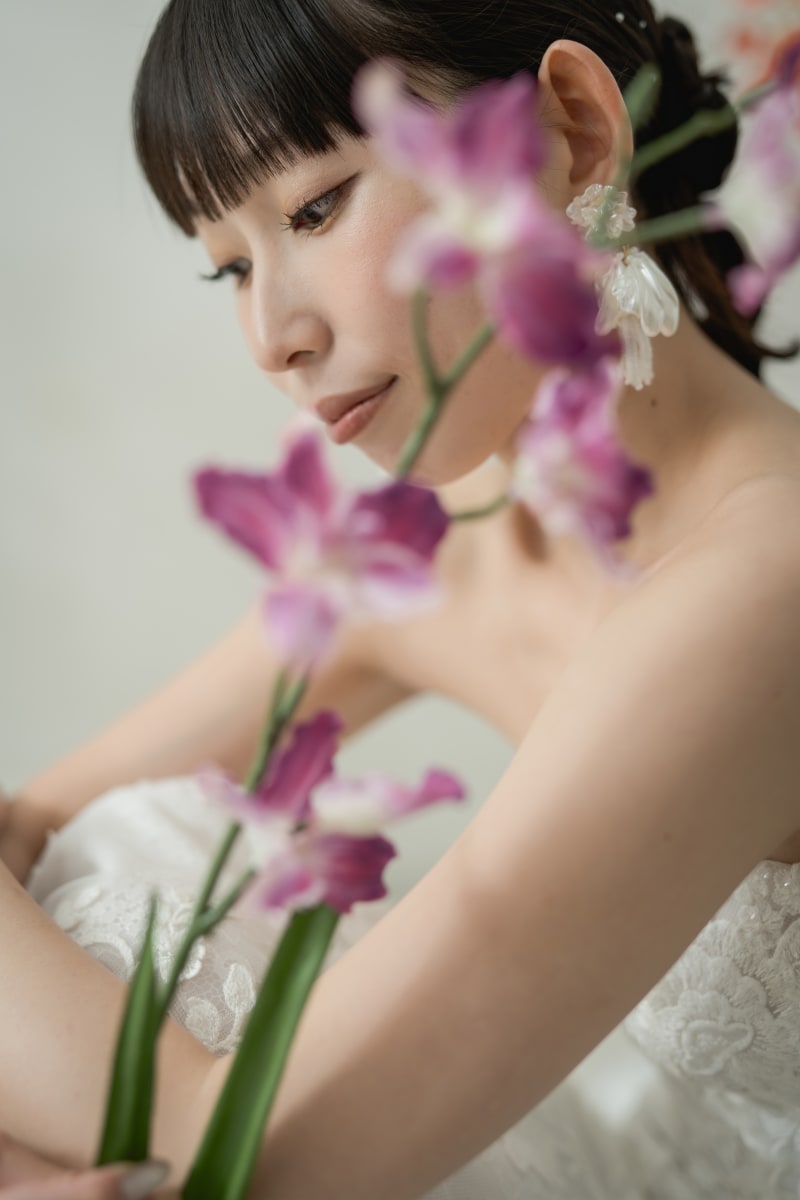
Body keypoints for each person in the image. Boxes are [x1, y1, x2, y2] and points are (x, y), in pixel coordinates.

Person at [2, 0, 800, 1196]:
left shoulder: (763, 585)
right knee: (118, 858)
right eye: (229, 266)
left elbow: (230, 1156)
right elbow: (31, 824)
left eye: (315, 207)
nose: (270, 338)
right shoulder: (440, 552)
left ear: (575, 131)